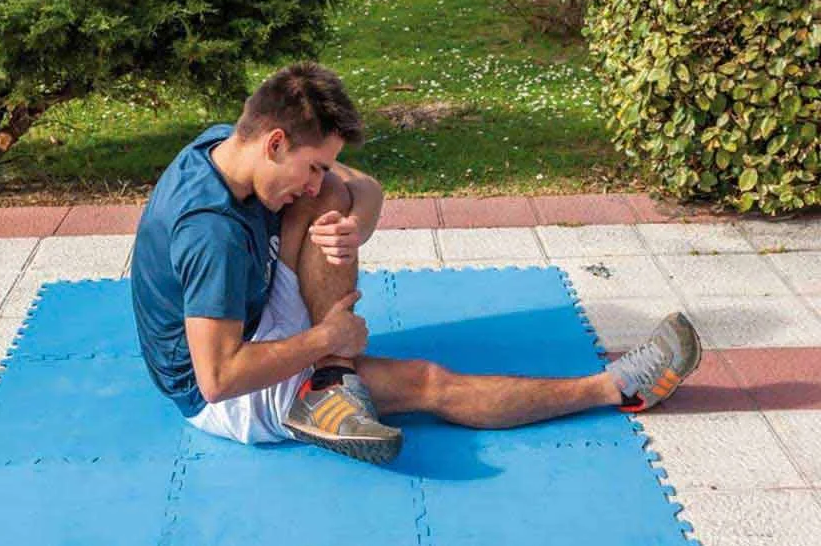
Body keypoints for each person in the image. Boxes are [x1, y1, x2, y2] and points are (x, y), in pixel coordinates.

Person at [131, 62, 701, 466]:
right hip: (227, 393)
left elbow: (365, 188)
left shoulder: (226, 145)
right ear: (275, 142)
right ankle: (613, 389)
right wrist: (326, 336)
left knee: (332, 201)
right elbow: (218, 379)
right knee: (429, 383)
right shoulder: (213, 236)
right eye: (311, 166)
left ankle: (331, 377)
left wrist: (356, 225)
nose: (313, 181)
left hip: (249, 315)